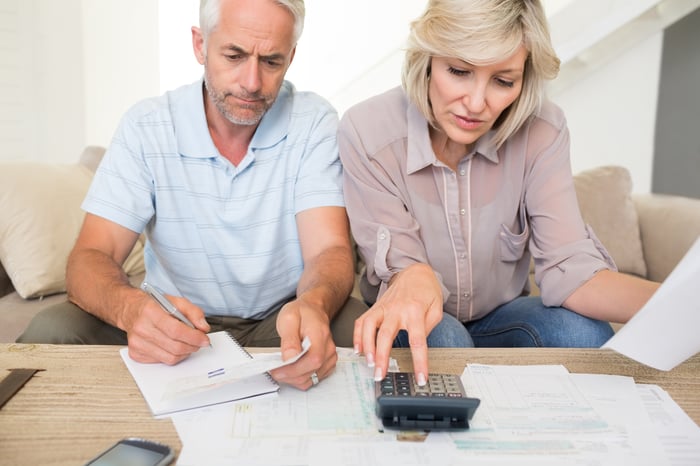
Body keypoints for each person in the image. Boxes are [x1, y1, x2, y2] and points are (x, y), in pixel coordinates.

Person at [17, 0, 367, 391]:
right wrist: (131, 310)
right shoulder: (147, 126)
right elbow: (90, 258)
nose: (252, 82)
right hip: (175, 323)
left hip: (279, 322)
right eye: (234, 55)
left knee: (356, 326)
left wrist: (314, 305)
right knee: (53, 328)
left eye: (271, 61)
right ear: (200, 45)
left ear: (292, 57)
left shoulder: (314, 121)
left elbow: (329, 251)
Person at [338, 0, 660, 386]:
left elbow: (571, 270)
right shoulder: (366, 130)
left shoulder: (544, 130)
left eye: (503, 81)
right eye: (459, 71)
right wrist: (413, 275)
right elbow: (406, 274)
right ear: (427, 57)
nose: (476, 104)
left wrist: (679, 304)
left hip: (502, 318)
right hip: (418, 314)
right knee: (446, 341)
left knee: (583, 334)